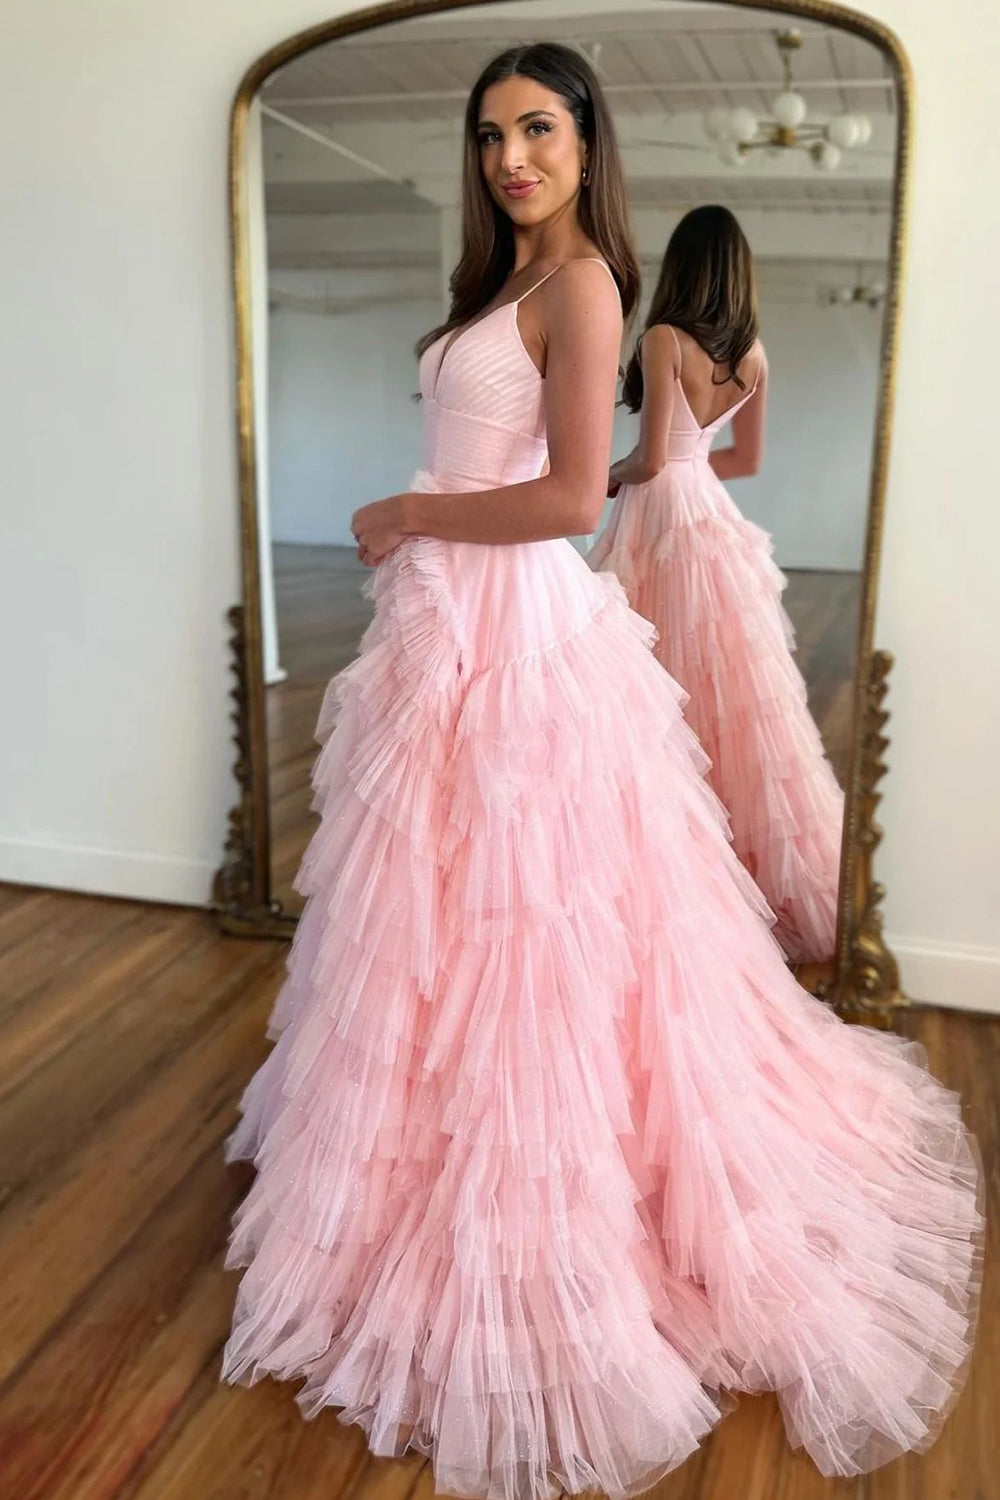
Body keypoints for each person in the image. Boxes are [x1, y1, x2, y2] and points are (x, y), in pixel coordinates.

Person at [222, 46, 981, 1500]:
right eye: (494, 133)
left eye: (542, 130)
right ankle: (407, 1175)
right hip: (446, 619)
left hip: (509, 621)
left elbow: (578, 496)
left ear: (588, 144)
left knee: (532, 918)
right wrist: (425, 519)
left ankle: (542, 1210)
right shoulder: (495, 288)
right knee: (422, 911)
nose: (515, 157)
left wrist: (404, 506)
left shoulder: (580, 289)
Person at [589, 206, 844, 961]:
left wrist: (603, 481)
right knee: (727, 693)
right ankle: (742, 871)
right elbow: (742, 461)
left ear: (683, 265)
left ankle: (668, 864)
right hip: (707, 507)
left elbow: (649, 460)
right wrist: (687, 471)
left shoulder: (665, 338)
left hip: (659, 513)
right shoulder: (755, 355)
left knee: (648, 677)